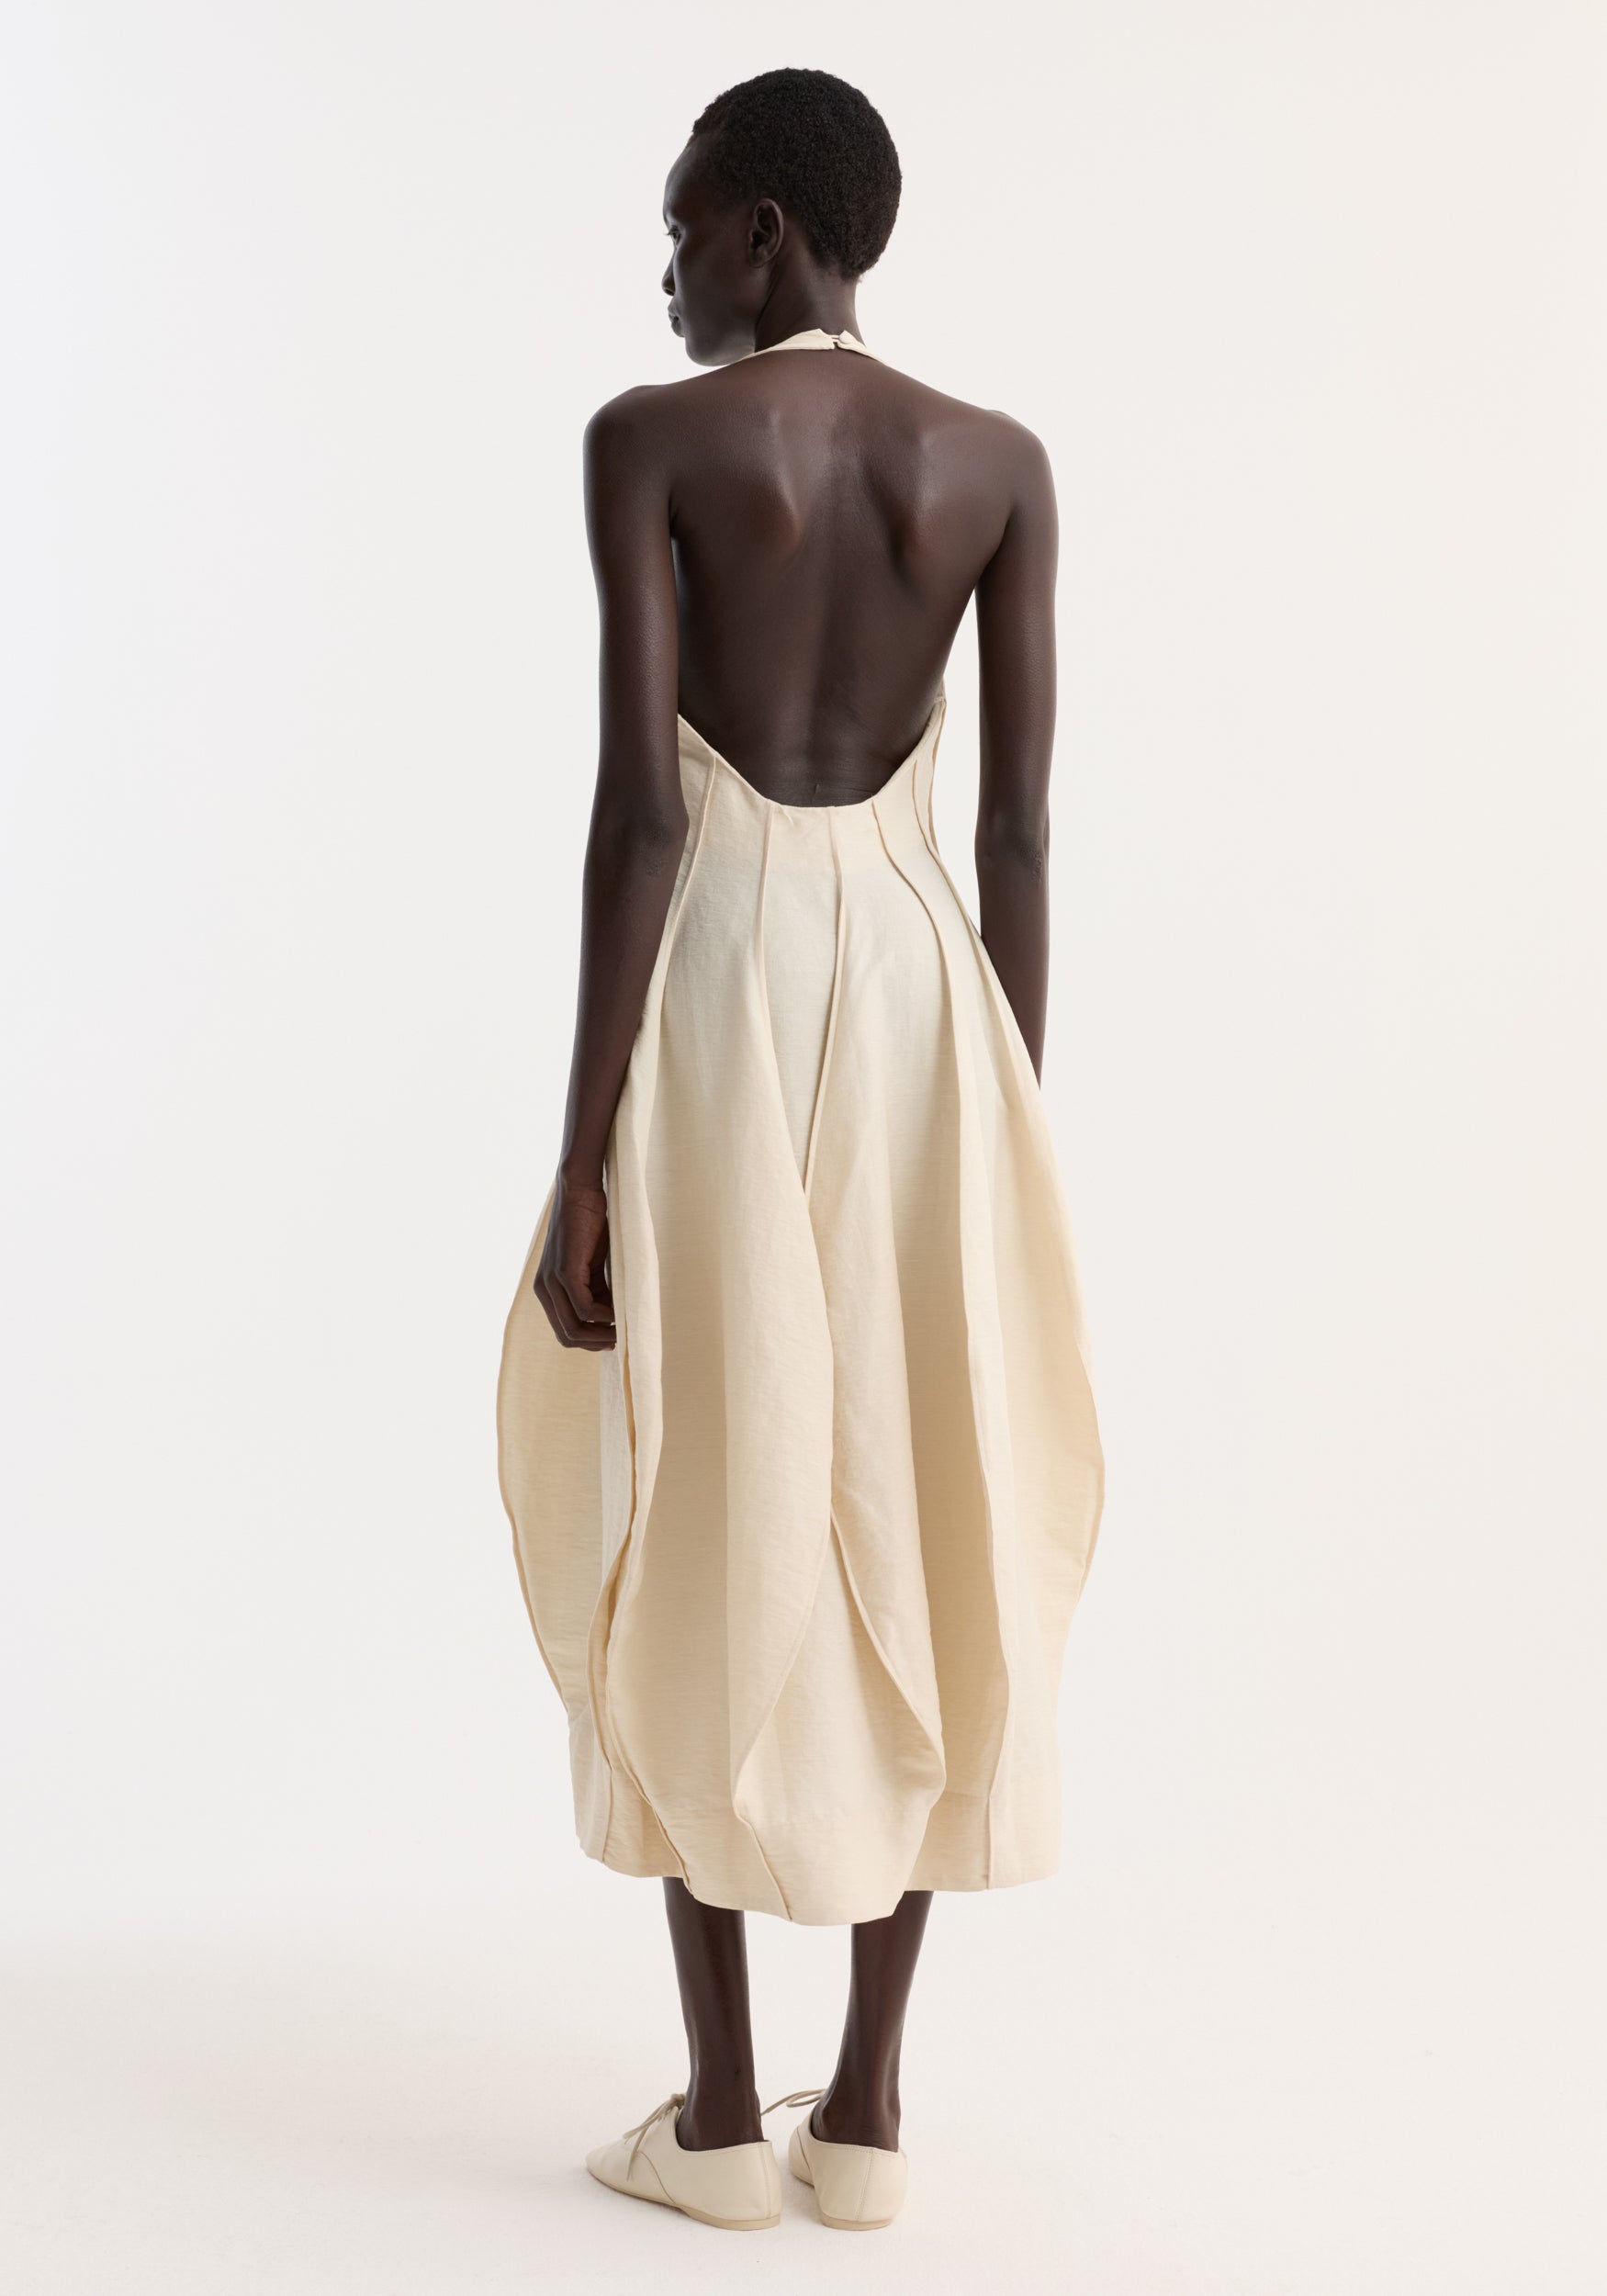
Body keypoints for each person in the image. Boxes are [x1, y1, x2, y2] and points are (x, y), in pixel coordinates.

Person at [496, 66, 1104, 2232]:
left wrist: (579, 1158)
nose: (664, 268)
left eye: (682, 223)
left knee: (697, 1473)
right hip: (933, 1002)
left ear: (764, 227)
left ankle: (715, 2118)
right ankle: (866, 2112)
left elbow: (639, 821)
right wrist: (1006, 1125)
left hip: (725, 989)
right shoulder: (993, 465)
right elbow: (1016, 831)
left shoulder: (651, 445)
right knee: (920, 1479)